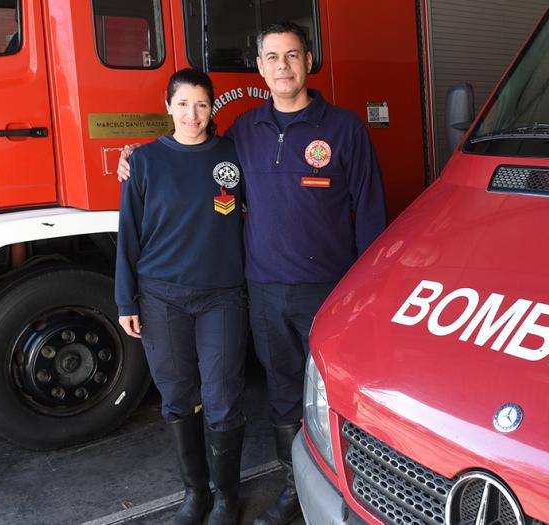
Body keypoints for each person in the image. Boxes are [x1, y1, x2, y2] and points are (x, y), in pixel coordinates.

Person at [119, 22, 387, 525]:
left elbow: (371, 211)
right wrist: (137, 158)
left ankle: (358, 493)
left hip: (330, 291)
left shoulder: (346, 128)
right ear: (259, 67)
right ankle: (293, 491)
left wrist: (365, 290)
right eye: (271, 57)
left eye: (291, 55)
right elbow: (192, 155)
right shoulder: (244, 131)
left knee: (339, 393)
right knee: (284, 393)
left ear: (309, 60)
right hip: (262, 289)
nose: (282, 66)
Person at [115, 68, 247, 525]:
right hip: (161, 297)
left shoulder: (233, 154)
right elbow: (128, 235)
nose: (192, 114)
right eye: (183, 104)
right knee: (175, 396)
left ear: (213, 108)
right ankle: (196, 496)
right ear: (167, 106)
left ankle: (227, 497)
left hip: (223, 296)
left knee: (224, 396)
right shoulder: (145, 161)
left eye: (202, 104)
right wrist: (125, 301)